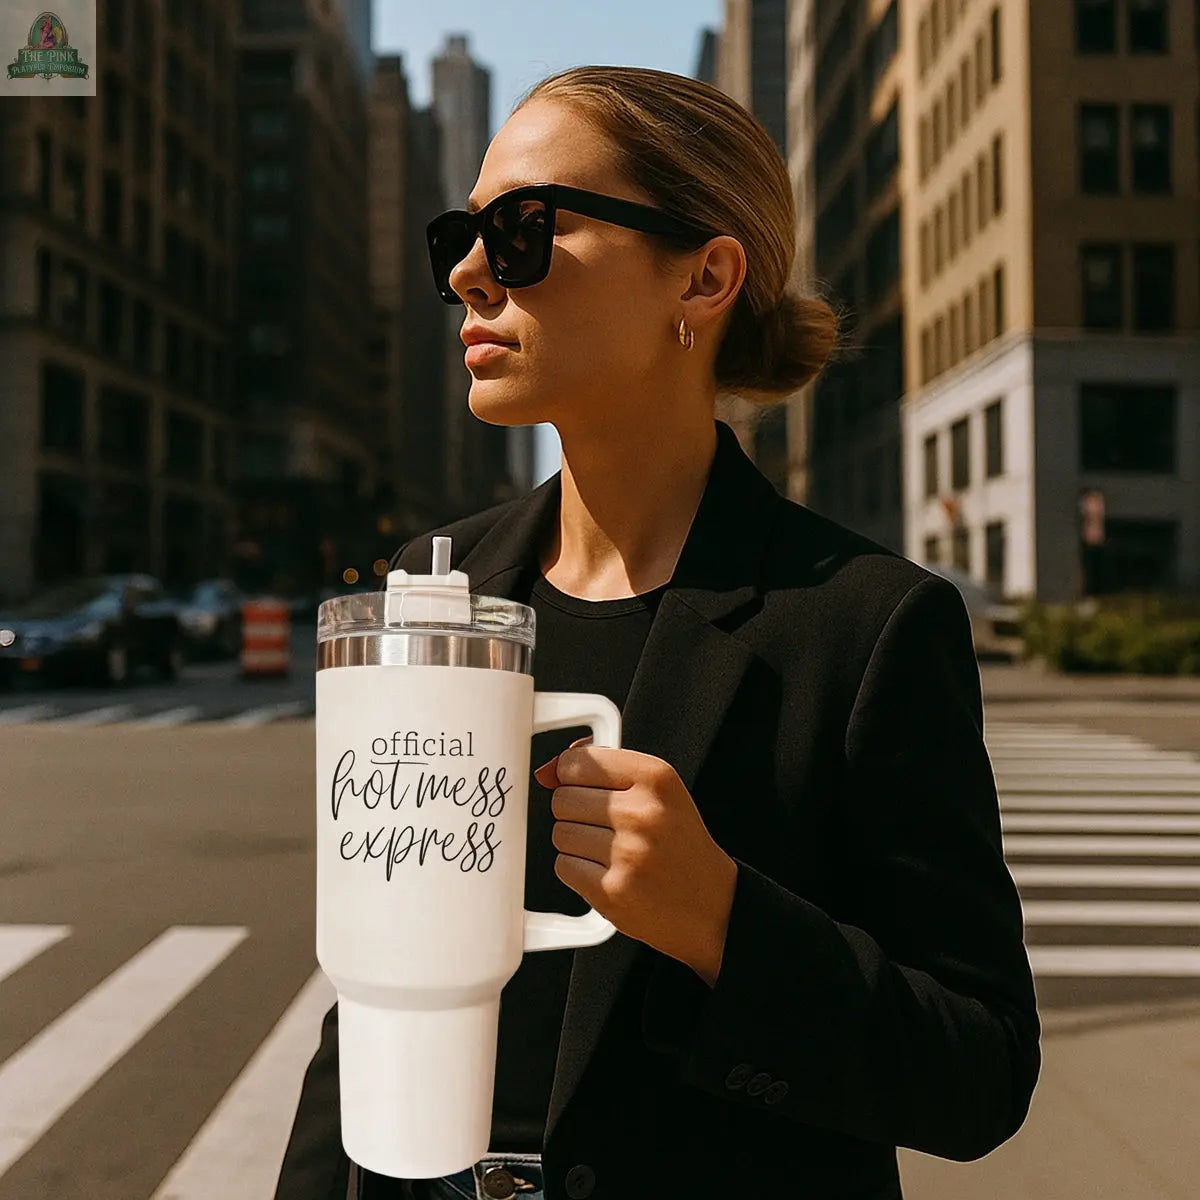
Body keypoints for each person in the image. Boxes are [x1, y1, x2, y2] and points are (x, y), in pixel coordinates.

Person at [274, 64, 1040, 1200]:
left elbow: (978, 1073)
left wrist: (727, 922)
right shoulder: (433, 589)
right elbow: (373, 989)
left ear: (707, 275)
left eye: (525, 228)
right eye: (461, 232)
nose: (467, 272)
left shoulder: (863, 624)